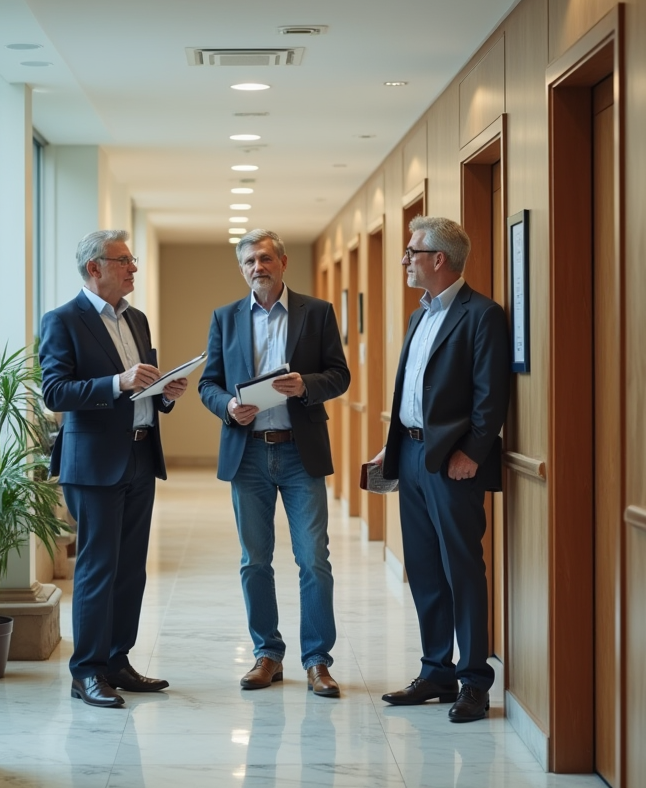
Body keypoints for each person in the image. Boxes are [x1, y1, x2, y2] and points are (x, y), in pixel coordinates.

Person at [39, 229, 188, 709]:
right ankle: (86, 671)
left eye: (133, 260)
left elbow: (142, 385)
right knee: (99, 569)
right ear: (94, 268)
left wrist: (163, 393)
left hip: (141, 455)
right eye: (124, 260)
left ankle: (117, 661)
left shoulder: (137, 320)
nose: (133, 269)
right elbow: (56, 393)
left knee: (130, 570)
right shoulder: (63, 320)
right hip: (94, 462)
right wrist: (116, 381)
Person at [198, 229, 350, 698]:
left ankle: (318, 662)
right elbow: (209, 383)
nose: (256, 268)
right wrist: (227, 407)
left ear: (283, 262)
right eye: (248, 262)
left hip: (299, 451)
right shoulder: (225, 318)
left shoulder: (317, 313)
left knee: (313, 560)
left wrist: (305, 385)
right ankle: (267, 655)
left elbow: (339, 375)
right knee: (254, 562)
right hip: (247, 453)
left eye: (264, 259)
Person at [371, 216, 510, 723]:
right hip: (410, 457)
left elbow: (490, 394)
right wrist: (393, 447)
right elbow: (411, 392)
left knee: (462, 570)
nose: (405, 259)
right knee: (425, 571)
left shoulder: (482, 315)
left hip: (454, 463)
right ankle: (436, 671)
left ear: (438, 259)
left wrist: (472, 451)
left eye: (412, 251)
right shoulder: (419, 316)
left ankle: (474, 681)